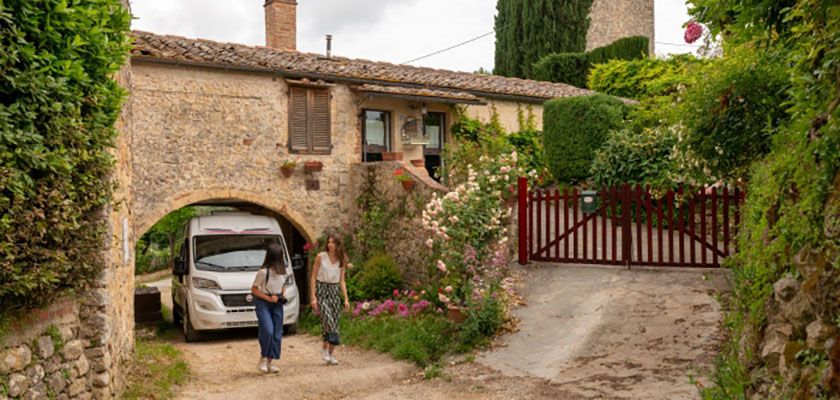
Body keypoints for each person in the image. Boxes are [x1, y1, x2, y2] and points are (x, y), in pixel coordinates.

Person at [309, 234, 352, 365]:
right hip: (322, 290)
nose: (330, 245)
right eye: (329, 242)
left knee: (335, 322)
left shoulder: (341, 260)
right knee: (328, 320)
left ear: (338, 244)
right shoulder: (320, 257)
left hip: (334, 291)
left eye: (333, 242)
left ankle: (331, 354)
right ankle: (324, 349)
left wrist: (346, 299)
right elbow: (313, 276)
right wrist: (313, 297)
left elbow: (342, 280)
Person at [251, 242, 290, 373]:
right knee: (268, 330)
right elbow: (254, 290)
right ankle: (263, 358)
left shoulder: (283, 272)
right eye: (281, 255)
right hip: (264, 303)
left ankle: (270, 362)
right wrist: (269, 298)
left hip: (277, 303)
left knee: (277, 333)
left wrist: (281, 295)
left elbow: (283, 286)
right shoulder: (263, 272)